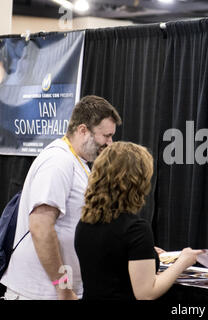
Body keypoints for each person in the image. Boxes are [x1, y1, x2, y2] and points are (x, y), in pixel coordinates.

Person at [0, 95, 122, 300]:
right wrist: (62, 287)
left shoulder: (78, 161)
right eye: (106, 136)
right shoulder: (58, 161)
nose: (110, 143)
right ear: (83, 130)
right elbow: (40, 227)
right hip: (40, 294)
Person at [74, 141, 203, 300]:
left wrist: (145, 250)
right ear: (136, 181)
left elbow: (109, 260)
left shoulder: (85, 223)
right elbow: (146, 293)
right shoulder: (135, 229)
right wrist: (183, 261)